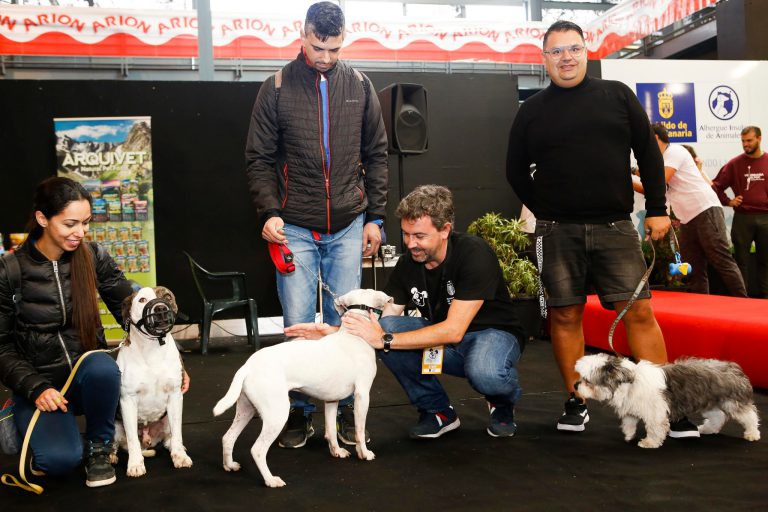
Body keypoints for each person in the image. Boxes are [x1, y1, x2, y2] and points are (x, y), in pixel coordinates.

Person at [505, 21, 697, 438]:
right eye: (557, 51)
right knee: (565, 315)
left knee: (639, 312)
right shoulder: (532, 110)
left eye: (573, 48)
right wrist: (546, 209)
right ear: (544, 59)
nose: (566, 57)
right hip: (557, 231)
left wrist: (658, 209)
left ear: (586, 51)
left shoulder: (617, 96)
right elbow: (514, 170)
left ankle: (667, 404)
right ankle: (576, 400)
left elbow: (648, 155)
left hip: (615, 226)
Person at [245, 1, 389, 449]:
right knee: (299, 324)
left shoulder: (360, 85)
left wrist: (376, 217)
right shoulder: (276, 87)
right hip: (295, 226)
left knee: (350, 326)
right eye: (317, 47)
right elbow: (259, 158)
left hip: (348, 223)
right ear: (302, 35)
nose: (325, 57)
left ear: (343, 41)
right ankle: (297, 412)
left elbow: (377, 154)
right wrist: (269, 211)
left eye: (334, 49)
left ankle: (343, 412)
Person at [287, 185, 525, 439]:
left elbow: (454, 331)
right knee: (388, 327)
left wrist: (385, 339)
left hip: (491, 334)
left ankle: (502, 401)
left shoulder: (473, 253)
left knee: (486, 373)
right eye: (406, 234)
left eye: (419, 236)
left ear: (445, 230)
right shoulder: (408, 263)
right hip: (445, 341)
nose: (411, 244)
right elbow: (382, 320)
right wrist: (336, 332)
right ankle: (438, 412)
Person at [0, 177, 134, 488]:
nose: (81, 232)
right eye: (70, 224)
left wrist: (172, 359)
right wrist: (35, 388)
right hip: (42, 387)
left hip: (89, 380)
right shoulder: (9, 271)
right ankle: (27, 421)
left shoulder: (93, 256)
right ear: (42, 218)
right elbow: (2, 347)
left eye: (86, 223)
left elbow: (132, 310)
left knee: (102, 366)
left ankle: (100, 445)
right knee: (58, 461)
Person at [632, 124, 746, 297]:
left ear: (655, 138)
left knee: (721, 259)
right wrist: (631, 175)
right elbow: (651, 185)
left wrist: (630, 177)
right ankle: (701, 305)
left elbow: (658, 183)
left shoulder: (675, 151)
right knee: (694, 266)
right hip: (687, 218)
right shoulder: (661, 160)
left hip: (705, 209)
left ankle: (743, 301)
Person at [712, 126, 768, 298]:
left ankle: (766, 298)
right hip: (743, 218)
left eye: (749, 140)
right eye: (743, 141)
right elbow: (716, 186)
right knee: (741, 262)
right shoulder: (735, 164)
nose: (745, 144)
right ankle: (742, 299)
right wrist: (728, 201)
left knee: (766, 261)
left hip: (766, 218)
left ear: (759, 139)